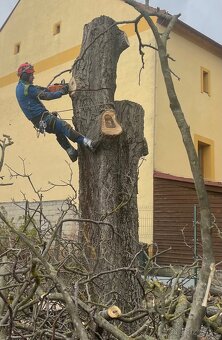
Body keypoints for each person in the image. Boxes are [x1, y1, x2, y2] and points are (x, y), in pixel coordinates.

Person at [16, 62, 94, 162]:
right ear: (25, 75)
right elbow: (46, 96)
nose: (33, 77)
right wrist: (62, 91)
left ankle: (71, 152)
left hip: (40, 122)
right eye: (31, 75)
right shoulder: (28, 88)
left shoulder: (21, 87)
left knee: (58, 131)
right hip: (44, 119)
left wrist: (56, 88)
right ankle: (88, 143)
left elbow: (43, 90)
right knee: (64, 127)